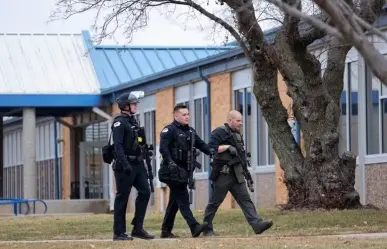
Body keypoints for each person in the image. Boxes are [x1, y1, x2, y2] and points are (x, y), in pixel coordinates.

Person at [202, 110, 273, 236]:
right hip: (223, 174)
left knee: (246, 200)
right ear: (230, 120)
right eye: (238, 121)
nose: (241, 123)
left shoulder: (237, 134)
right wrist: (227, 147)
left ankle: (257, 224)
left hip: (237, 173)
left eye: (241, 121)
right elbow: (210, 149)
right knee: (215, 202)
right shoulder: (219, 132)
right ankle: (206, 228)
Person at [158, 104, 216, 238]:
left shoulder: (190, 131)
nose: (187, 117)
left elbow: (201, 144)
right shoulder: (169, 130)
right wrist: (171, 163)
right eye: (184, 115)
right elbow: (163, 149)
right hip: (171, 171)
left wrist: (211, 151)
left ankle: (165, 231)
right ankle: (194, 227)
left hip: (183, 171)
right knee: (183, 198)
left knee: (174, 202)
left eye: (188, 114)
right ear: (176, 116)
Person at [111, 91, 155, 241]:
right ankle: (119, 233)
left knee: (145, 191)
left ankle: (137, 228)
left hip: (138, 163)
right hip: (125, 165)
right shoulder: (119, 123)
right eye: (133, 104)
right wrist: (124, 163)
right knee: (122, 198)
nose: (136, 106)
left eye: (135, 104)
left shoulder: (132, 121)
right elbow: (118, 146)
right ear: (125, 106)